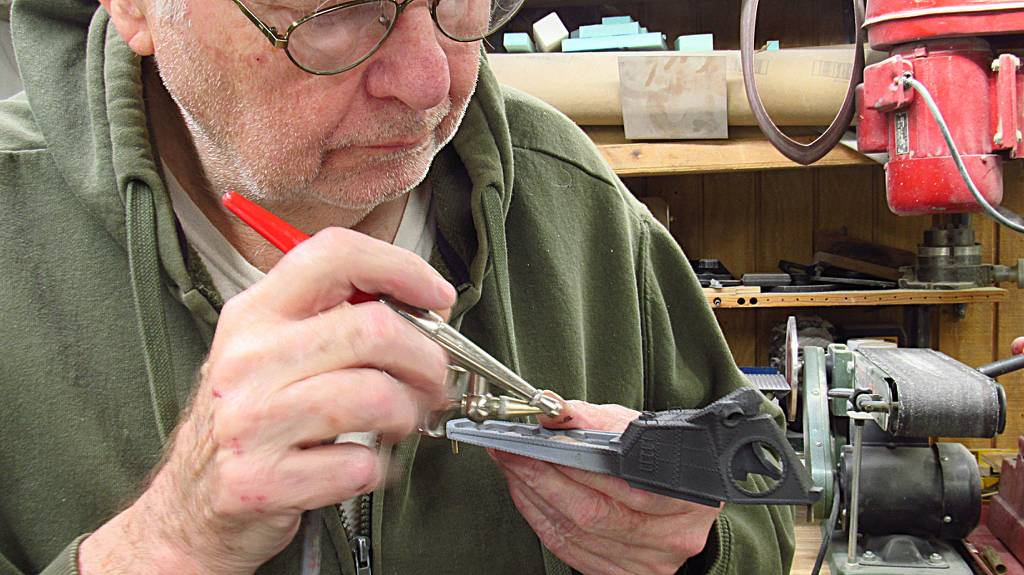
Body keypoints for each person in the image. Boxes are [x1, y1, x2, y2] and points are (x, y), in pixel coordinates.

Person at [0, 0, 795, 574]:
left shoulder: (570, 193)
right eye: (337, 10)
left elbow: (763, 508)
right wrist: (168, 541)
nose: (426, 82)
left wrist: (695, 546)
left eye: (459, 1)